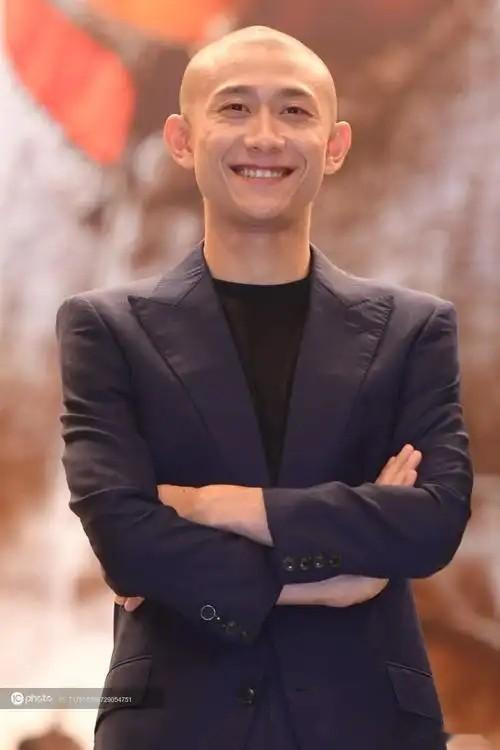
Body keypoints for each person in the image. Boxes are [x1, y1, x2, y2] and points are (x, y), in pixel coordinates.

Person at [55, 24, 473, 750]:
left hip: (368, 720)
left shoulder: (414, 329)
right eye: (235, 108)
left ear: (334, 146)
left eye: (295, 110)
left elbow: (431, 521)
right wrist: (329, 580)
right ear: (182, 139)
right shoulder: (106, 328)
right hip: (177, 721)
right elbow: (127, 541)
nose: (266, 136)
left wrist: (226, 508)